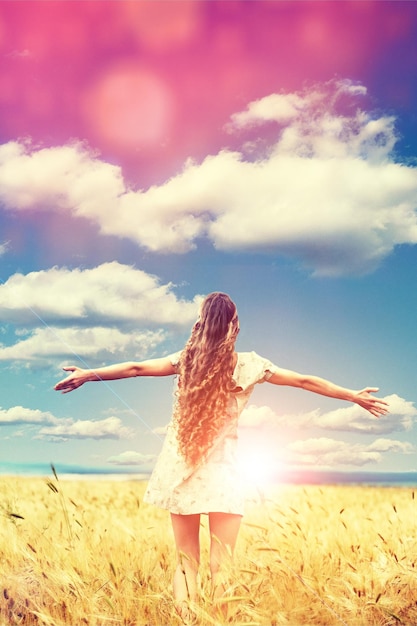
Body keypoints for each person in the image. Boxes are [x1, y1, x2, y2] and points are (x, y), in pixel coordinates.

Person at [54, 292, 388, 619]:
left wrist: (87, 373)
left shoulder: (184, 361)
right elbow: (303, 381)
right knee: (223, 564)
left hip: (179, 470)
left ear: (200, 324)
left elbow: (135, 368)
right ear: (234, 326)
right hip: (225, 474)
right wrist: (352, 396)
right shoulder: (250, 365)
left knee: (186, 560)